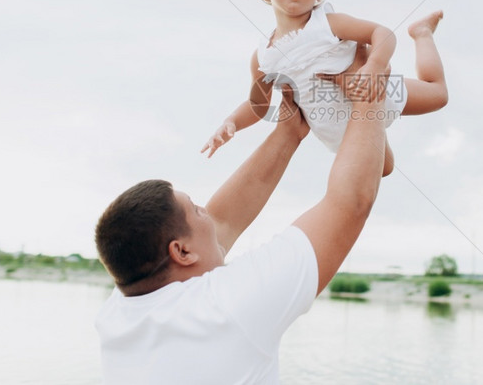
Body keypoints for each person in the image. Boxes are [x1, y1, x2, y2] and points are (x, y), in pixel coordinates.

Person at [95, 82, 388, 384]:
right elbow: (350, 202)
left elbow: (221, 223)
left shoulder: (118, 312)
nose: (207, 212)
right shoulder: (229, 305)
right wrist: (371, 92)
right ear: (181, 252)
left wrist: (287, 134)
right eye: (197, 209)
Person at [201, 0, 448, 175]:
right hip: (338, 126)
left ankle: (422, 33)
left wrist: (374, 65)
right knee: (385, 168)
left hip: (374, 87)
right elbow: (258, 104)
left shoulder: (326, 23)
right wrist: (231, 121)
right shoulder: (263, 57)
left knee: (437, 95)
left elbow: (382, 33)